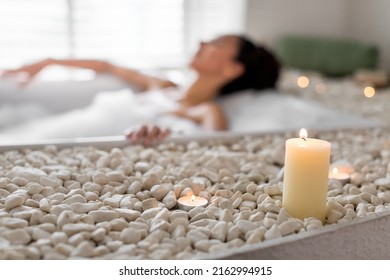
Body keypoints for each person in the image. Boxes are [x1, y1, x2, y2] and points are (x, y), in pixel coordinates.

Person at [1, 34, 280, 144]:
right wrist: (48, 61)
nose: (202, 42)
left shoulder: (206, 110)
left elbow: (212, 144)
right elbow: (108, 66)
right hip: (50, 132)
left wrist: (166, 136)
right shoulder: (162, 86)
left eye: (217, 44)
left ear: (232, 69)